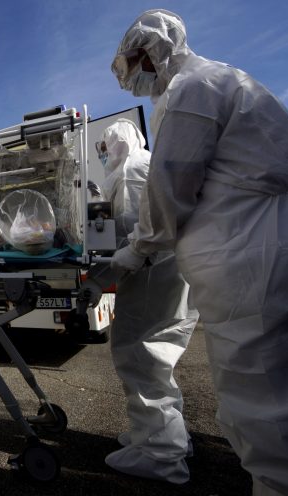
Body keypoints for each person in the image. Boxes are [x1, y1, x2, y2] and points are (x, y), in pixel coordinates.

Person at [109, 10, 288, 495]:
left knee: (263, 400)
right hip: (258, 248)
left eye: (134, 61)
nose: (132, 76)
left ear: (154, 48)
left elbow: (169, 187)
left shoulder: (192, 90)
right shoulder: (221, 82)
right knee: (283, 388)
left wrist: (134, 252)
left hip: (248, 257)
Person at [82, 119, 198, 483]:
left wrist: (98, 280)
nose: (102, 155)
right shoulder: (144, 164)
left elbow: (132, 241)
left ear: (117, 142)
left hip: (153, 275)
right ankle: (162, 435)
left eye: (104, 147)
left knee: (142, 356)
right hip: (169, 273)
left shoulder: (131, 171)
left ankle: (163, 456)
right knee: (159, 358)